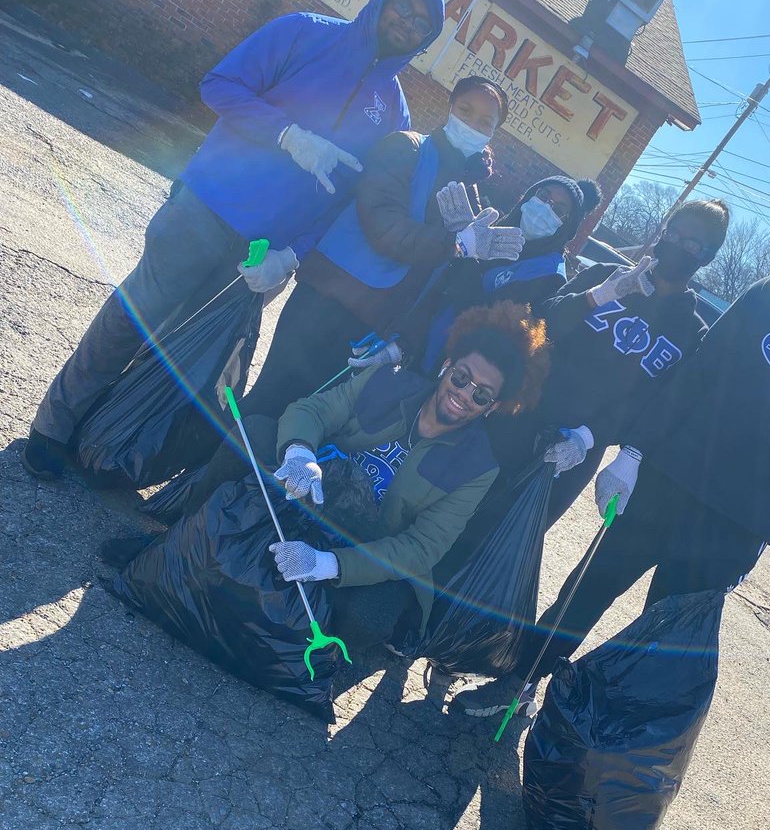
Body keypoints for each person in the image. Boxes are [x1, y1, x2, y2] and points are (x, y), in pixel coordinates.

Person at [451, 199, 770, 719]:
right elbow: (694, 373)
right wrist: (634, 452)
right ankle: (518, 680)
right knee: (587, 588)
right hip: (669, 477)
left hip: (736, 520)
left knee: (661, 641)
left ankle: (588, 745)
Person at [21, 0, 446, 480]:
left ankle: (99, 435)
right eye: (406, 6)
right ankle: (54, 426)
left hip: (262, 253)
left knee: (184, 346)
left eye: (423, 23)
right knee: (135, 316)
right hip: (205, 207)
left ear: (425, 41)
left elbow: (349, 202)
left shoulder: (392, 111)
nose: (410, 21)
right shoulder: (305, 32)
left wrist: (291, 257)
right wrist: (287, 134)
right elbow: (219, 84)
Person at [263, 301, 550, 662]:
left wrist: (329, 564)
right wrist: (300, 454)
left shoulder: (479, 469)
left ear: (491, 407)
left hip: (369, 546)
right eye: (462, 377)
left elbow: (420, 548)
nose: (464, 394)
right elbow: (312, 410)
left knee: (372, 614)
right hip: (318, 498)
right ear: (447, 366)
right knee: (257, 433)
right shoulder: (386, 381)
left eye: (481, 394)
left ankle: (308, 656)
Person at [237, 76, 521, 420]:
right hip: (329, 301)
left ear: (493, 134)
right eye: (466, 110)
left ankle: (246, 473)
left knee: (306, 415)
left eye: (485, 122)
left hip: (372, 327)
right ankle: (205, 471)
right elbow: (385, 230)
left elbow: (438, 279)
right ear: (450, 108)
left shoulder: (469, 191)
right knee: (268, 402)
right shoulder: (405, 149)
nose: (472, 124)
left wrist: (404, 341)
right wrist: (458, 244)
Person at [533, 198, 729, 523]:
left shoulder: (692, 333)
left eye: (691, 243)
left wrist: (589, 436)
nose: (676, 246)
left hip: (576, 449)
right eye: (673, 234)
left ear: (706, 256)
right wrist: (596, 297)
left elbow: (652, 403)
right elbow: (540, 322)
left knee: (514, 544)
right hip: (524, 410)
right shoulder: (605, 276)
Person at [411, 175, 603, 374]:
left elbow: (489, 327)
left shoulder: (548, 274)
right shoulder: (498, 231)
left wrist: (469, 260)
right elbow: (441, 282)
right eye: (543, 196)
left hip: (450, 373)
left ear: (567, 226)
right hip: (417, 342)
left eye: (558, 210)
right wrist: (458, 240)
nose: (545, 207)